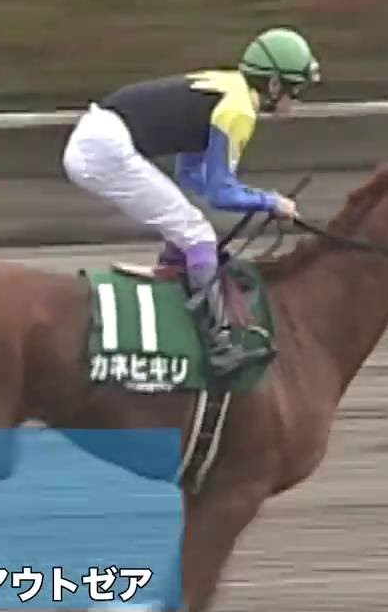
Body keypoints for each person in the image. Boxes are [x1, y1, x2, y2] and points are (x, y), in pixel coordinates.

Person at [62, 26, 322, 376]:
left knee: (187, 225)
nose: (297, 100)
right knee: (197, 233)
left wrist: (262, 200)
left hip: (97, 137)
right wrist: (271, 202)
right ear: (274, 85)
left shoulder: (227, 87)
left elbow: (191, 176)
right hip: (104, 150)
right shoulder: (239, 110)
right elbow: (220, 192)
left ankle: (176, 281)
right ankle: (221, 345)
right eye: (296, 89)